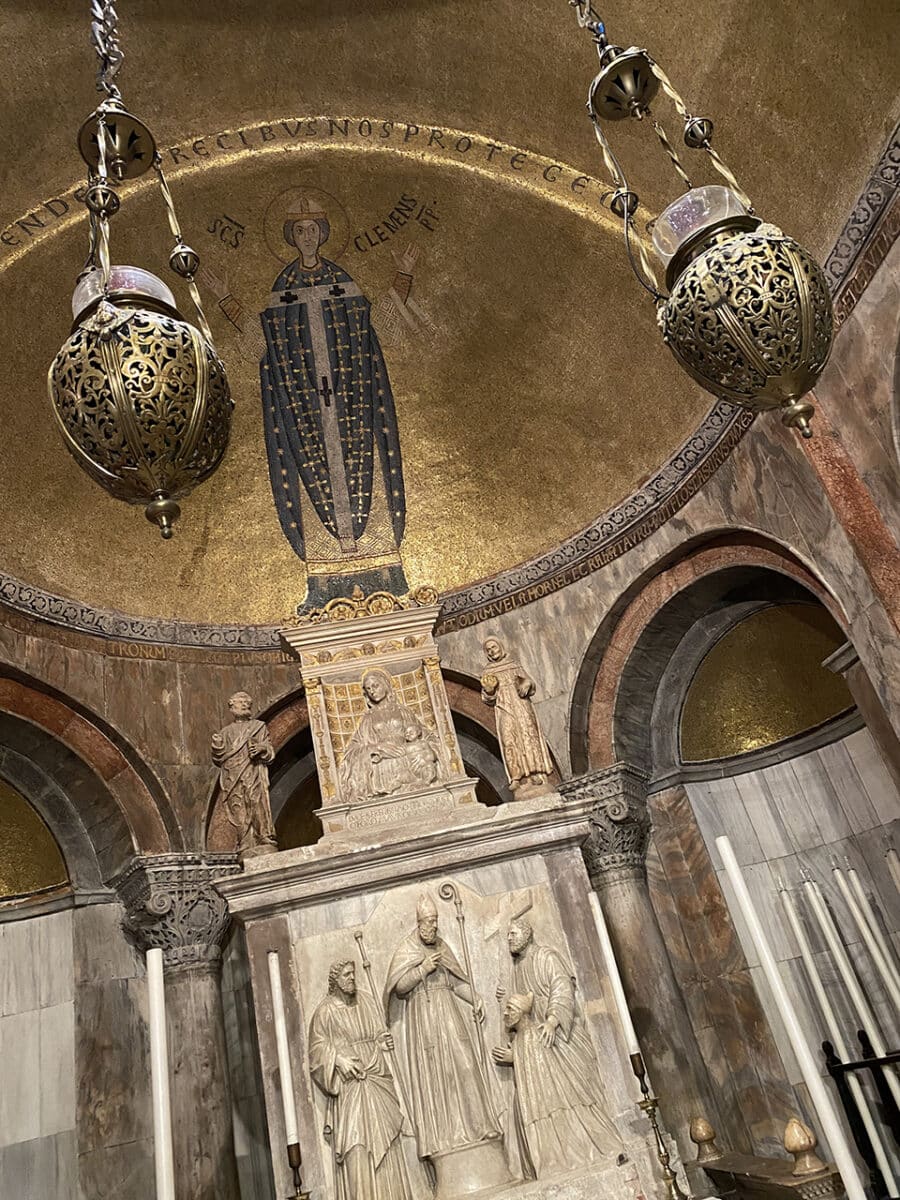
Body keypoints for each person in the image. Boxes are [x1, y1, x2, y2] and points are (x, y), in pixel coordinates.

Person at [259, 195, 408, 609]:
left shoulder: (344, 281)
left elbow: (377, 328)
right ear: (291, 238)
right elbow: (261, 344)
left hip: (353, 404)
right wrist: (224, 300)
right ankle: (322, 579)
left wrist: (403, 278)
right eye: (299, 231)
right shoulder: (283, 288)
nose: (307, 237)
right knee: (310, 474)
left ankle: (385, 568)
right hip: (304, 408)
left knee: (367, 466)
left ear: (323, 235)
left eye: (313, 230)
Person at [492, 913, 623, 1177]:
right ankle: (557, 1153)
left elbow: (562, 987)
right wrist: (505, 1001)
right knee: (548, 1100)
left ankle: (591, 1144)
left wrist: (552, 1021)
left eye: (513, 934)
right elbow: (522, 1008)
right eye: (507, 935)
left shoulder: (546, 957)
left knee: (574, 1094)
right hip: (537, 1044)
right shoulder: (518, 968)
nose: (509, 939)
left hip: (560, 1038)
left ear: (527, 935)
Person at [383, 894, 502, 1166]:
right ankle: (444, 1136)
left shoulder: (442, 945)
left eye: (435, 921)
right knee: (437, 1075)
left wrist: (476, 997)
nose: (433, 927)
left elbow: (456, 981)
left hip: (448, 1010)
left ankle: (479, 1125)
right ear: (418, 922)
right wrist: (422, 969)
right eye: (428, 922)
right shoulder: (407, 949)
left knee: (466, 1065)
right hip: (424, 1019)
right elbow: (399, 989)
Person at [308, 959, 412, 1200]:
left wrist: (382, 1043)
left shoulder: (365, 999)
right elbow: (316, 1054)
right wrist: (338, 1060)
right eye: (346, 975)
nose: (352, 979)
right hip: (350, 1087)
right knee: (356, 1144)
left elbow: (376, 1033)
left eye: (353, 974)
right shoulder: (325, 1011)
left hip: (376, 1080)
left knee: (386, 1143)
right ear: (335, 980)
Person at [338, 669, 440, 803]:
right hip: (383, 764)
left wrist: (422, 751)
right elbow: (353, 749)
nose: (372, 691)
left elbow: (424, 734)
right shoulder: (368, 718)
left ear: (385, 684)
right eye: (368, 689)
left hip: (409, 758)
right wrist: (378, 747)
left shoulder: (402, 711)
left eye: (375, 686)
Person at [210, 691, 276, 854]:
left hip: (253, 772)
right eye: (241, 702)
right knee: (238, 808)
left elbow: (269, 750)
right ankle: (245, 841)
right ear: (232, 706)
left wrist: (262, 748)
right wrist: (217, 745)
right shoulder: (225, 732)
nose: (245, 704)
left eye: (247, 702)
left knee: (257, 802)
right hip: (233, 775)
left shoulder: (258, 726)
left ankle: (263, 836)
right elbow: (219, 757)